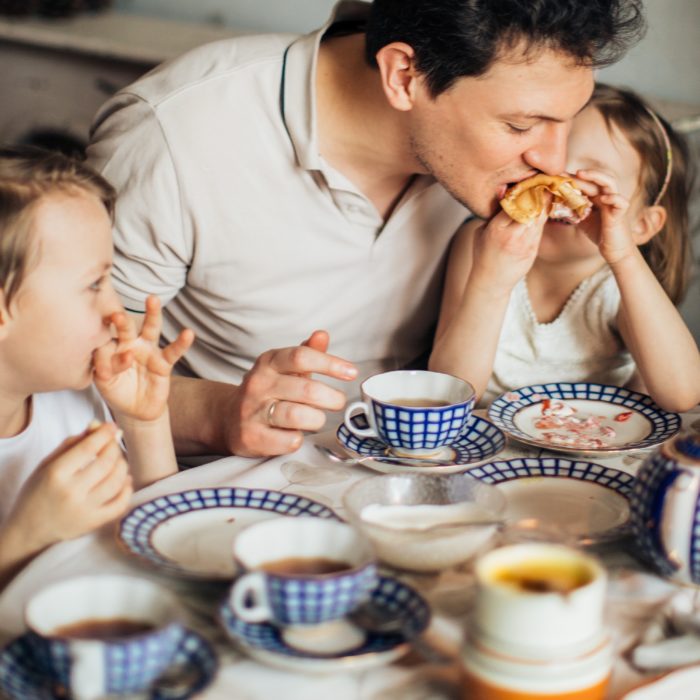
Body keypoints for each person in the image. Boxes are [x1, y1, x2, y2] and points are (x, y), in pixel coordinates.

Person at [86, 0, 646, 458]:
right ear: (404, 75)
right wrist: (220, 413)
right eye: (521, 125)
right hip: (234, 488)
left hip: (429, 468)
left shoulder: (494, 167)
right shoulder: (174, 135)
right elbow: (68, 375)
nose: (553, 158)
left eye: (567, 121)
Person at [430, 84, 700, 412]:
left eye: (593, 179)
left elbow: (683, 394)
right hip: (493, 446)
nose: (559, 188)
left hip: (595, 446)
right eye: (550, 170)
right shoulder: (482, 244)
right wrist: (490, 283)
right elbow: (446, 393)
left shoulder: (619, 286)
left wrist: (624, 256)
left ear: (641, 225)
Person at [0, 146, 194, 588]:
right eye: (94, 284)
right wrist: (26, 538)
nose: (117, 313)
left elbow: (165, 540)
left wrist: (145, 425)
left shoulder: (72, 397)